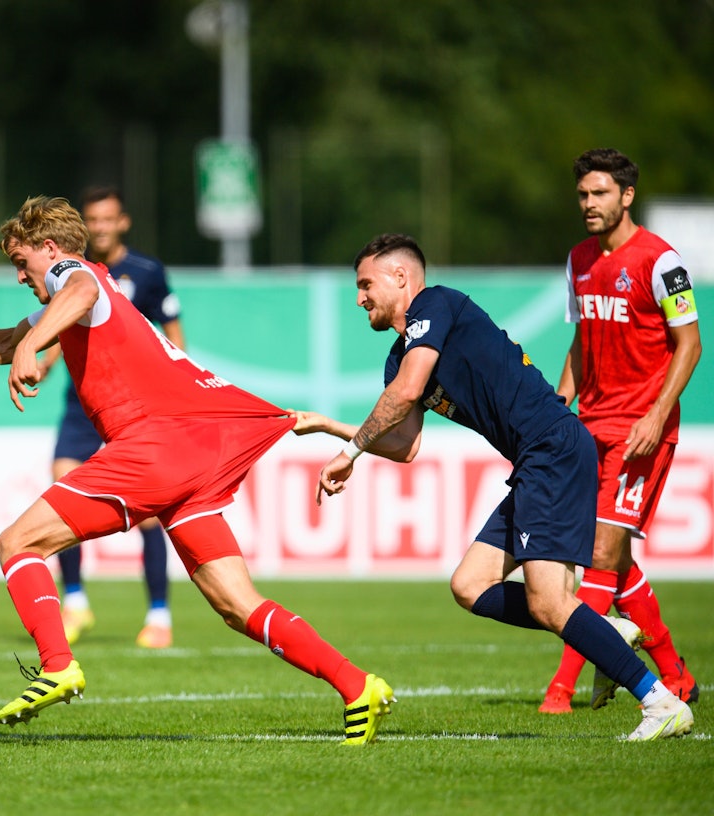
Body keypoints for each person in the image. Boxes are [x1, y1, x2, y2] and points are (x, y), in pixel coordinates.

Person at [0, 195, 395, 745]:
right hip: (192, 454)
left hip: (153, 447)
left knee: (17, 543)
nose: (19, 275)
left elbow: (78, 292)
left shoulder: (75, 275)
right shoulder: (74, 293)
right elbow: (3, 342)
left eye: (21, 262)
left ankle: (58, 664)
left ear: (49, 248)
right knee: (237, 606)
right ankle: (358, 686)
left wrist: (33, 345)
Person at [294, 232, 692, 741]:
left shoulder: (435, 304)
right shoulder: (400, 356)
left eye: (366, 284)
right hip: (535, 459)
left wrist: (348, 453)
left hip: (552, 447)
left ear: (400, 276)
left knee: (549, 602)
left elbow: (407, 392)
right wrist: (330, 427)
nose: (359, 298)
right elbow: (405, 445)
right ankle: (604, 631)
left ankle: (660, 702)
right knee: (469, 585)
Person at [539, 148, 702, 714]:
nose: (589, 203)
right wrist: (559, 406)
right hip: (590, 427)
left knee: (600, 553)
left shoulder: (661, 261)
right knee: (612, 558)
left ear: (627, 196)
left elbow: (690, 344)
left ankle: (561, 688)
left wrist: (656, 415)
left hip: (640, 432)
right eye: (583, 194)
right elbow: (581, 342)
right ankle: (675, 674)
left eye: (600, 193)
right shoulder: (578, 259)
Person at [37, 186, 183, 649]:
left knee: (148, 515)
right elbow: (65, 323)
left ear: (123, 222)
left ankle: (158, 616)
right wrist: (46, 360)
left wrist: (176, 385)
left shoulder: (147, 272)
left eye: (107, 219)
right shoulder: (72, 270)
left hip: (134, 405)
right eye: (93, 219)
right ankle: (76, 603)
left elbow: (172, 332)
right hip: (83, 402)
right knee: (62, 488)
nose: (100, 227)